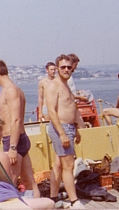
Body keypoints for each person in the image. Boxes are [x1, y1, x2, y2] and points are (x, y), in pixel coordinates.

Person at [0, 60, 40, 198]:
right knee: (29, 181)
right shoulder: (12, 90)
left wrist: (12, 147)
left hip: (13, 140)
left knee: (9, 182)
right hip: (18, 139)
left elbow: (16, 120)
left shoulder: (11, 91)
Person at [0, 115, 55, 210]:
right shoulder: (0, 156)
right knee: (49, 203)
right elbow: (7, 184)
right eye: (1, 132)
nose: (2, 136)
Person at [45, 54, 85, 209]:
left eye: (69, 67)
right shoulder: (54, 85)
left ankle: (53, 199)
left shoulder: (65, 84)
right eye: (63, 67)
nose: (67, 69)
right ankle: (74, 201)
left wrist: (76, 129)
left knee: (58, 165)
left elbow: (70, 107)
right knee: (68, 167)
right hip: (61, 129)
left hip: (68, 128)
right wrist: (62, 134)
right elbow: (52, 112)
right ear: (57, 68)